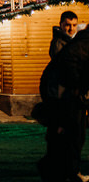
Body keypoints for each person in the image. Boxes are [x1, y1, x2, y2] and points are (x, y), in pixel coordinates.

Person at [36, 25, 89, 182]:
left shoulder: (81, 42)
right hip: (62, 93)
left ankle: (63, 170)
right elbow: (71, 64)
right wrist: (77, 87)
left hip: (63, 92)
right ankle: (61, 171)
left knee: (70, 133)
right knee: (69, 132)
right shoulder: (83, 44)